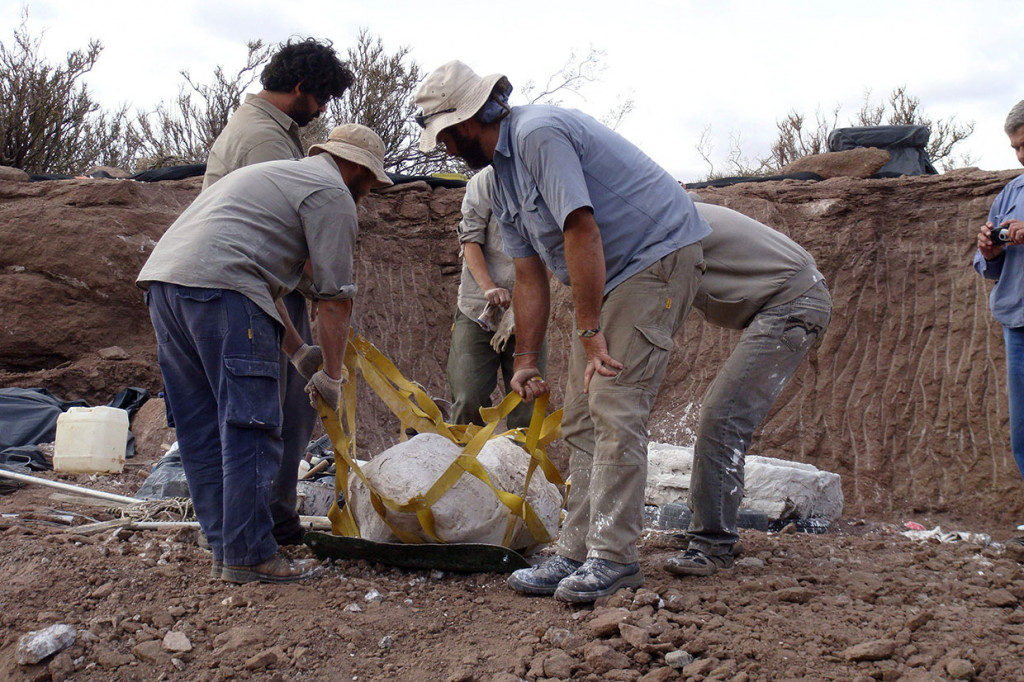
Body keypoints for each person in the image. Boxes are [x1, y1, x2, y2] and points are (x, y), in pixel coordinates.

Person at [415, 61, 711, 603]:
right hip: (610, 272)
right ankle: (576, 550)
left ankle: (614, 557)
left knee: (616, 404)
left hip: (652, 258)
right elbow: (528, 271)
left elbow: (580, 227)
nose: (447, 150)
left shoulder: (537, 134)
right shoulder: (498, 177)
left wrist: (590, 327)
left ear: (466, 120)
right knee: (581, 415)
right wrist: (526, 357)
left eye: (447, 136)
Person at [137, 124, 392, 583]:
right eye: (371, 180)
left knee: (202, 427)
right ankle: (250, 554)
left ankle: (226, 546)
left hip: (165, 286)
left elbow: (262, 279)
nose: (369, 191)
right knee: (251, 424)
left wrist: (298, 354)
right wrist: (332, 378)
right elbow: (334, 300)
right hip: (223, 292)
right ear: (355, 167)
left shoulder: (274, 178)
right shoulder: (332, 192)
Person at [203, 37, 354, 548]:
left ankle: (239, 529)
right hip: (255, 284)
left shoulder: (260, 129)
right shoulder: (265, 140)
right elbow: (270, 230)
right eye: (320, 98)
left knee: (271, 402)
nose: (322, 109)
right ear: (298, 88)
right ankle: (268, 525)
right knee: (280, 406)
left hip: (239, 280)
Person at [662, 201, 831, 577]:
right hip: (788, 298)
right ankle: (708, 528)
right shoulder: (665, 216)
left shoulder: (663, 224)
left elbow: (655, 313)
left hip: (794, 303)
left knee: (723, 416)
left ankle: (713, 542)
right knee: (720, 414)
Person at [448, 165, 546, 430]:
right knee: (468, 398)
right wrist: (489, 287)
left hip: (527, 313)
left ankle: (522, 468)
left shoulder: (550, 178)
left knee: (528, 404)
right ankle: (465, 466)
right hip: (478, 309)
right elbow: (470, 240)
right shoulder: (486, 180)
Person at [974, 99, 1024, 543]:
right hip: (1018, 321)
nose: (1022, 155)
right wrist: (990, 249)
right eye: (1015, 148)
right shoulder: (1010, 193)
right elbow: (986, 261)